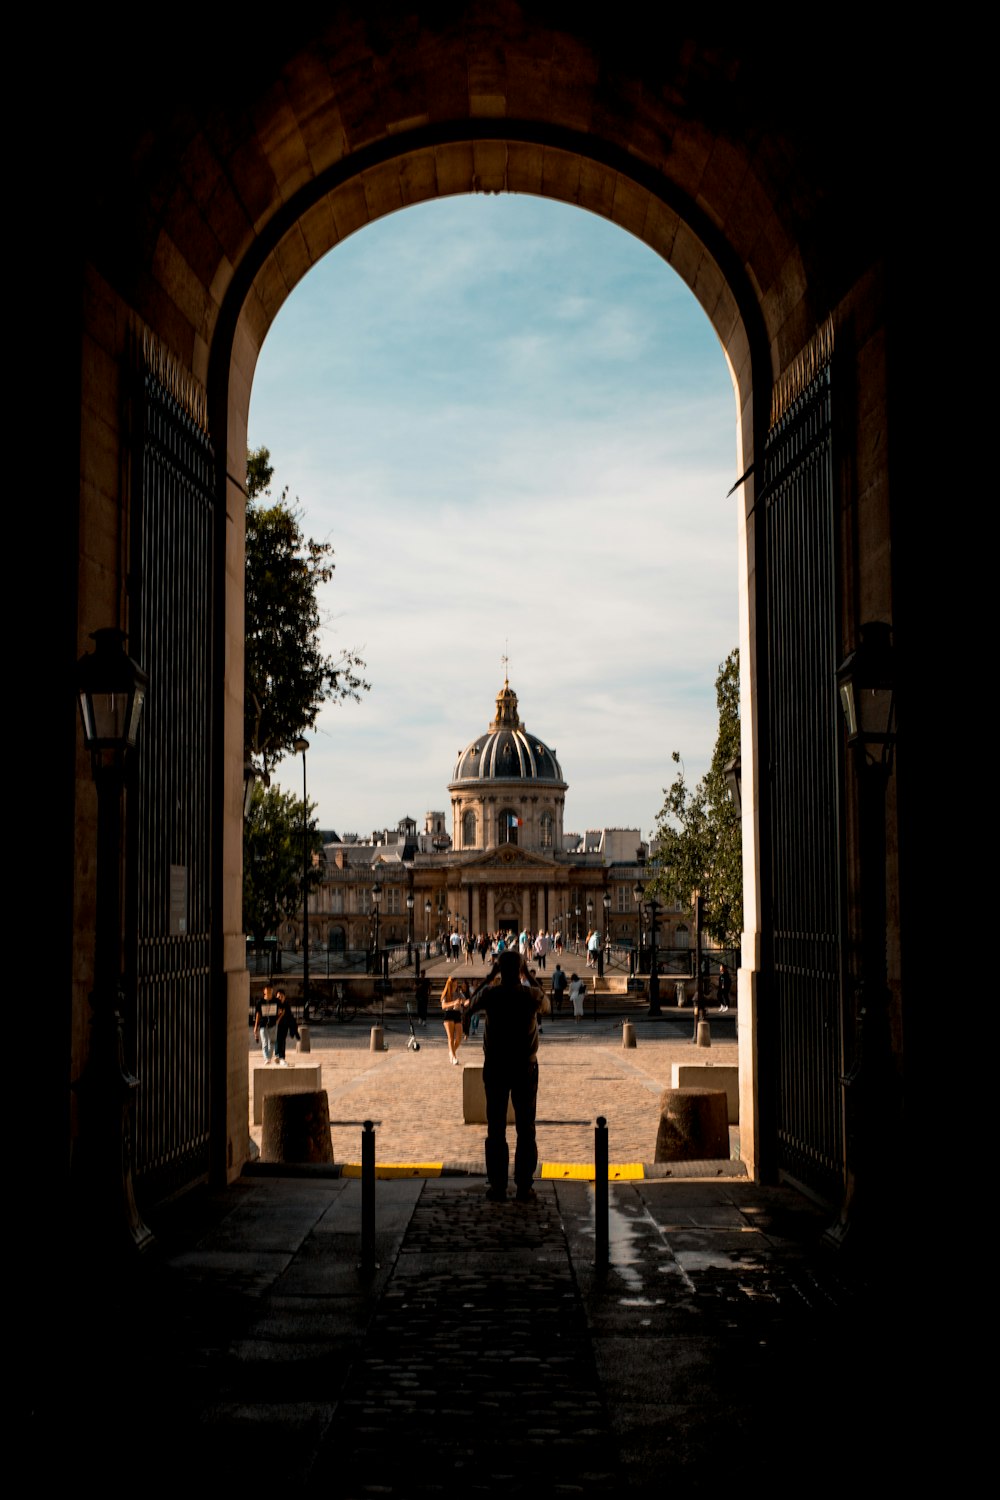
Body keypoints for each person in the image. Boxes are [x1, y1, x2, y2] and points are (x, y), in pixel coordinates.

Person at [467, 949, 543, 1202]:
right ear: (520, 970)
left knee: (496, 1127)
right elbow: (548, 1002)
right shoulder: (530, 994)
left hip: (497, 1067)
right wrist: (528, 976)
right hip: (524, 1067)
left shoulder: (491, 994)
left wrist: (490, 976)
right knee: (526, 1128)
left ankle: (498, 1185)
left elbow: (469, 1006)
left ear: (500, 970)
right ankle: (524, 1185)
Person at [440, 975, 469, 1064]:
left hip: (457, 1014)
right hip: (448, 1014)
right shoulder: (446, 994)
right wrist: (453, 1003)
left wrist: (469, 1001)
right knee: (451, 1038)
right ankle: (453, 1057)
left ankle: (451, 1052)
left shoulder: (459, 993)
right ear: (450, 984)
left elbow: (464, 1002)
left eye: (456, 984)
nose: (456, 986)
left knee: (459, 1038)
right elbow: (443, 1006)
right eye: (454, 984)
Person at [273, 988, 299, 1065]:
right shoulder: (274, 1005)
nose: (280, 998)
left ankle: (282, 1057)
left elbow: (290, 1017)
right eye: (278, 997)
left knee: (282, 1040)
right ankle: (278, 1055)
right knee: (277, 1039)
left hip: (284, 1026)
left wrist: (292, 1029)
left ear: (284, 997)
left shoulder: (287, 1006)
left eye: (281, 996)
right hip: (276, 1025)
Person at [253, 983, 275, 1064]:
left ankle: (269, 1057)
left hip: (272, 1025)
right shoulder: (260, 1002)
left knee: (271, 1042)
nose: (269, 992)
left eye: (270, 990)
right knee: (265, 1042)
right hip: (263, 1024)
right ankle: (266, 1059)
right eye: (267, 990)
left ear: (272, 991)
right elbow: (258, 1014)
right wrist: (256, 1027)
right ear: (264, 991)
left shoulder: (275, 1001)